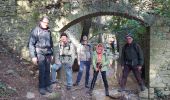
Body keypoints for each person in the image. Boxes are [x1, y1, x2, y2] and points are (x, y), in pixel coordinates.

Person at [28, 16, 53, 95]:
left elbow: (51, 43)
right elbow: (31, 44)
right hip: (40, 53)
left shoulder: (48, 31)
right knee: (42, 70)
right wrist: (33, 56)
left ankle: (48, 85)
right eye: (45, 22)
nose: (46, 24)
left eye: (47, 23)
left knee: (48, 70)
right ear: (41, 22)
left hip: (48, 53)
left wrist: (52, 54)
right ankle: (42, 87)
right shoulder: (36, 30)